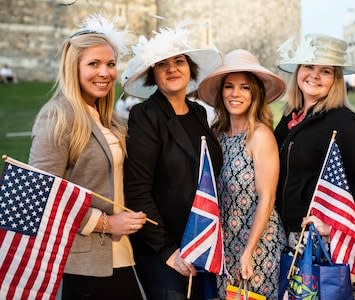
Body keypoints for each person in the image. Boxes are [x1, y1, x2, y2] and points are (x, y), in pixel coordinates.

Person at [28, 15, 147, 299]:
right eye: (93, 64)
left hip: (121, 256)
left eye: (110, 64)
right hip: (81, 263)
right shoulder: (57, 116)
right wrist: (107, 223)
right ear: (74, 67)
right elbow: (40, 196)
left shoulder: (111, 119)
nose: (105, 73)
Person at [275, 34, 355, 299]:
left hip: (326, 242)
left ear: (335, 80)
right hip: (293, 238)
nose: (315, 75)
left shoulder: (343, 121)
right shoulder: (291, 115)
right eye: (309, 67)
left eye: (325, 71)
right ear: (298, 71)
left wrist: (332, 221)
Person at [122, 22, 223, 300]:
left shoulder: (198, 113)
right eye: (162, 64)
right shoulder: (145, 115)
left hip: (202, 241)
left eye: (179, 61)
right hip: (164, 250)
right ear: (153, 75)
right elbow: (137, 189)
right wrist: (166, 249)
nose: (172, 69)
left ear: (190, 67)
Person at [197, 49, 287, 299]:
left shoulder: (260, 136)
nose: (235, 94)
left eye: (244, 87)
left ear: (255, 94)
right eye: (229, 86)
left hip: (257, 245)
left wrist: (248, 250)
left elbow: (266, 198)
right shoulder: (216, 136)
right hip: (224, 244)